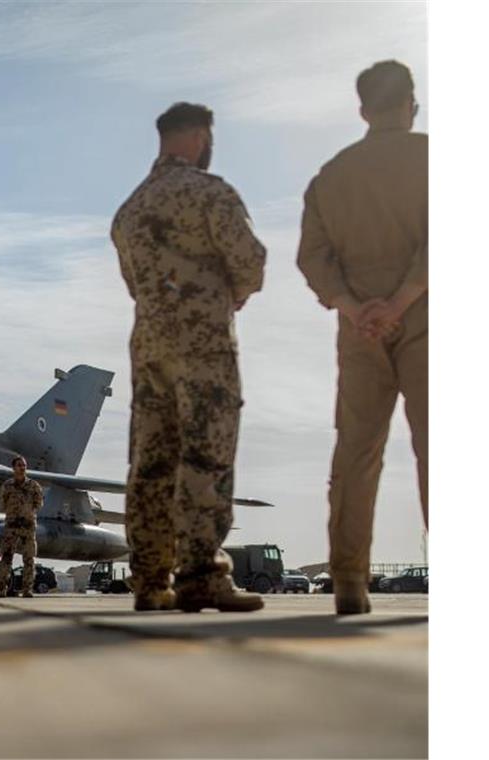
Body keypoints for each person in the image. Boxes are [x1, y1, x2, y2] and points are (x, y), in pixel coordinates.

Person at [110, 102, 267, 613]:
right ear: (200, 136)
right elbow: (250, 262)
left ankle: (151, 582)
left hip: (149, 347)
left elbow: (135, 285)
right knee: (207, 452)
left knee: (151, 462)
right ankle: (200, 574)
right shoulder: (210, 194)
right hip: (203, 345)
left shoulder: (129, 212)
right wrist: (230, 292)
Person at [296, 60, 427, 615]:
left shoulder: (331, 176)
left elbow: (312, 258)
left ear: (361, 110)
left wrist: (354, 307)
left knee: (355, 452)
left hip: (358, 332)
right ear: (411, 104)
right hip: (427, 317)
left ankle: (349, 582)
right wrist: (399, 302)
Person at [0, 456, 43, 598]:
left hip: (28, 526)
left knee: (29, 559)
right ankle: (0, 589)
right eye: (19, 465)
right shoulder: (7, 486)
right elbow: (1, 504)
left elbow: (39, 504)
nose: (22, 468)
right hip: (11, 526)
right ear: (13, 468)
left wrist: (27, 513)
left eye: (24, 465)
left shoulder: (34, 486)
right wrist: (13, 513)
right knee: (6, 557)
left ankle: (27, 590)